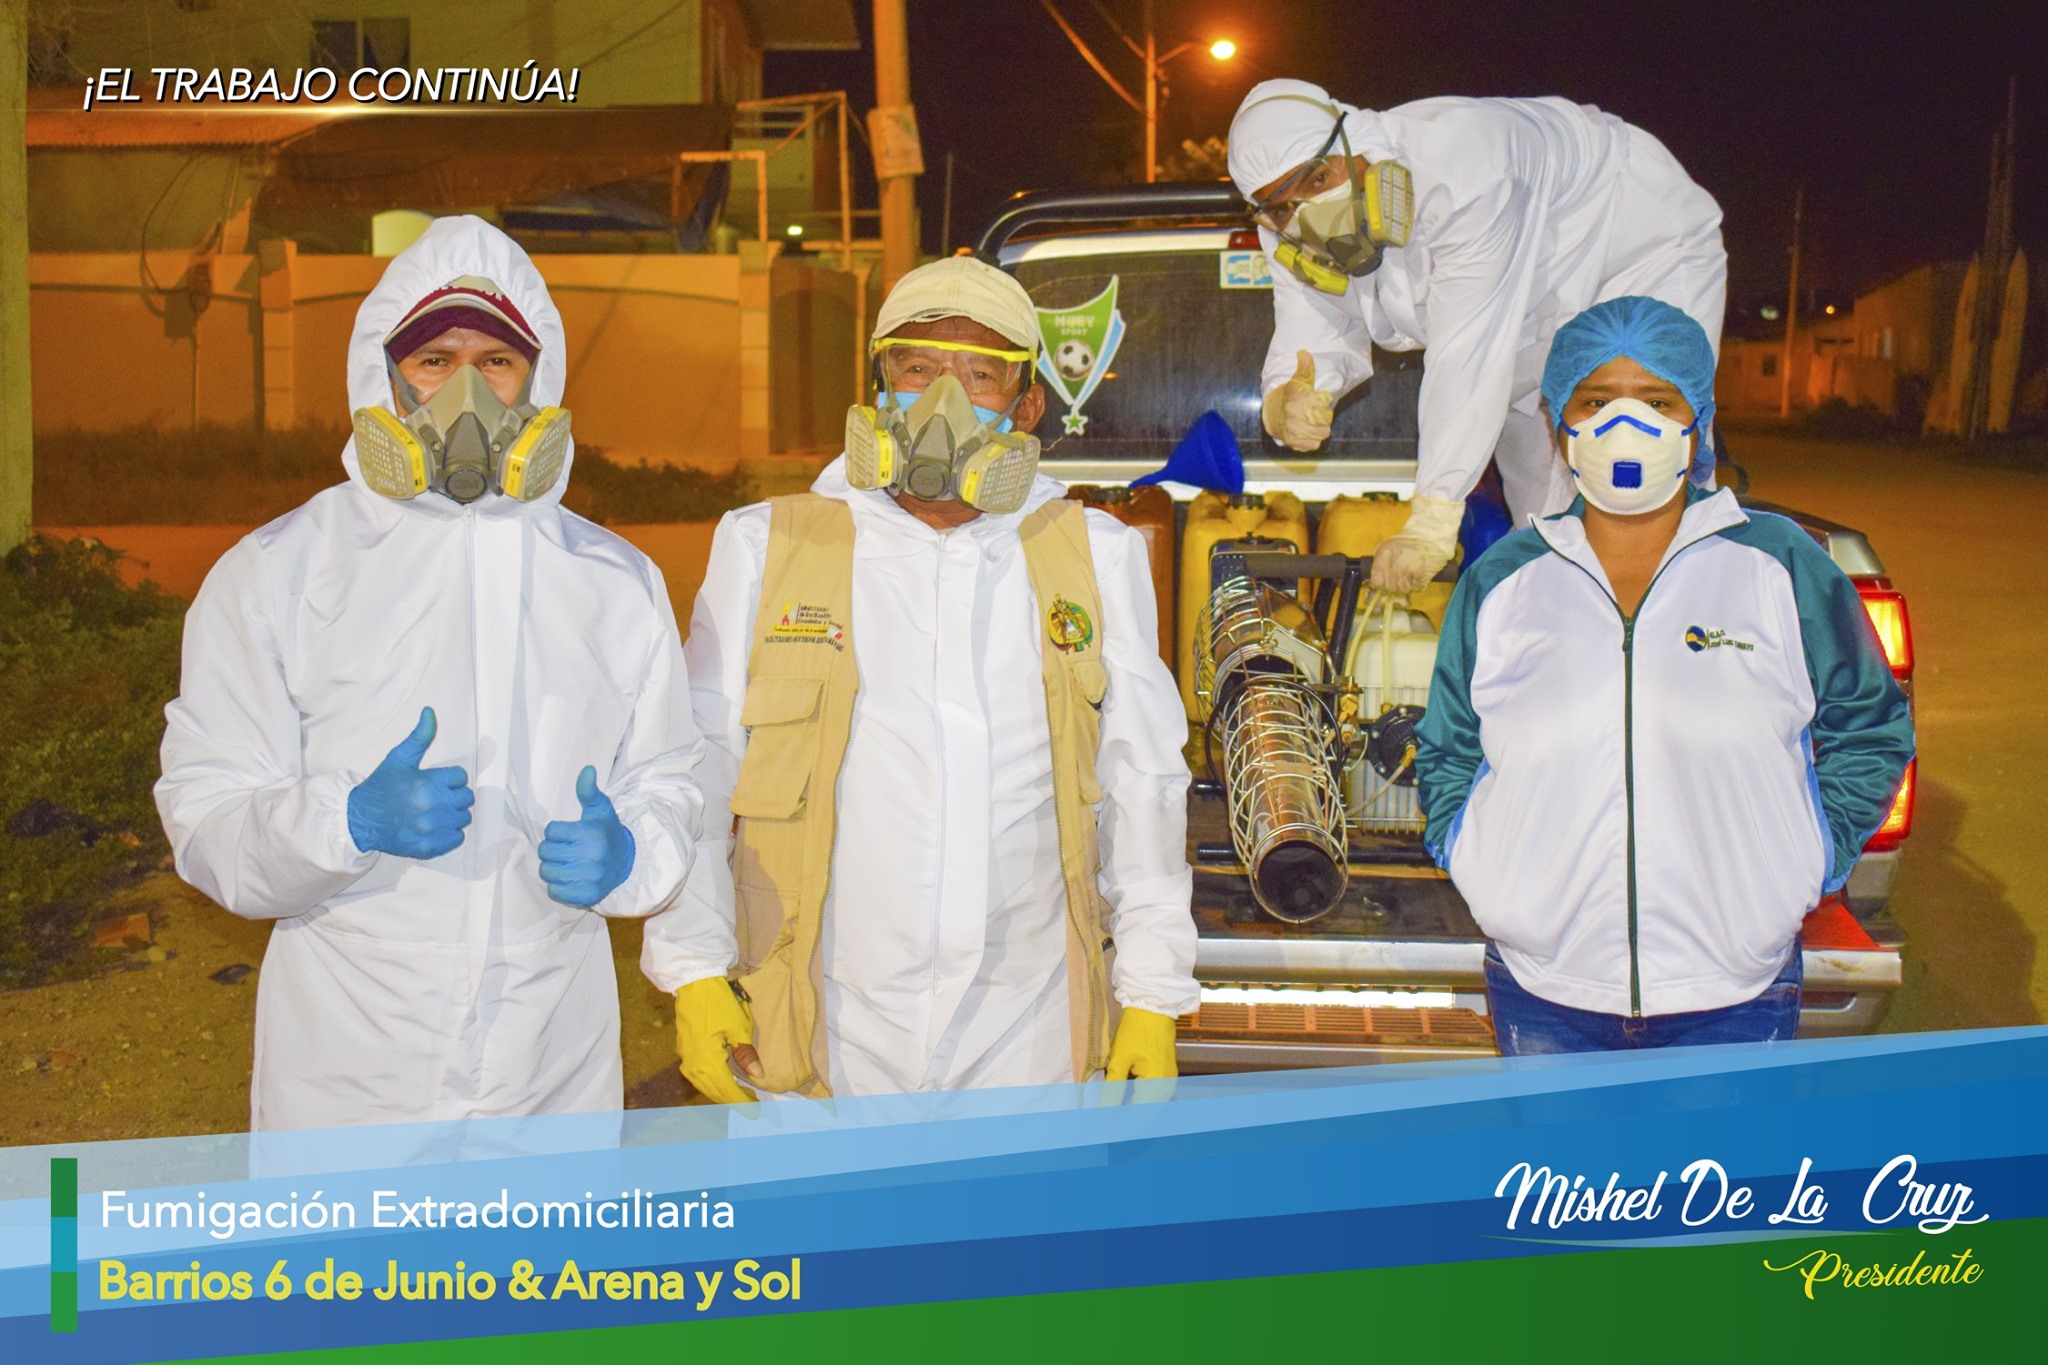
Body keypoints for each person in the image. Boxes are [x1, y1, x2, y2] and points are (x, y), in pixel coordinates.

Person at [156, 216, 707, 1130]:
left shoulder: (613, 580)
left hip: (550, 1070)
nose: (466, 392)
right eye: (434, 361)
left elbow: (669, 778)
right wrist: (343, 821)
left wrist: (633, 855)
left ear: (539, 380)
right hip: (349, 1075)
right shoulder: (281, 572)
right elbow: (206, 814)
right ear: (384, 376)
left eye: (496, 362)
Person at [641, 256, 1198, 1101]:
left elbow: (1142, 786)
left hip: (1028, 1025)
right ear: (879, 386)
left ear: (1028, 404)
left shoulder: (1093, 555)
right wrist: (694, 968)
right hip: (822, 1019)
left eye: (980, 375)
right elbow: (701, 768)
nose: (943, 400)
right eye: (917, 369)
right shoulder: (769, 545)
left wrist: (1152, 994)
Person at [1414, 296, 1914, 1054]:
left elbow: (1870, 727)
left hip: (1734, 992)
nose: (1626, 423)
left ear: (1697, 418)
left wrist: (1805, 860)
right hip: (1546, 987)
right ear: (1557, 422)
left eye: (1656, 400)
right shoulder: (1503, 579)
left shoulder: (1780, 564)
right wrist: (1482, 868)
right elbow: (1449, 746)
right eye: (1595, 401)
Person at [1226, 79, 1727, 594]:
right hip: (1527, 304)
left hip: (1634, 248)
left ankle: (1698, 605)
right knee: (1543, 515)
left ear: (1353, 142)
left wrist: (1433, 517)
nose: (1306, 213)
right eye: (1281, 205)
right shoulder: (1284, 226)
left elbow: (1467, 353)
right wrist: (1289, 395)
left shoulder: (1464, 166)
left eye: (1317, 179)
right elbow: (1313, 323)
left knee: (1640, 450)